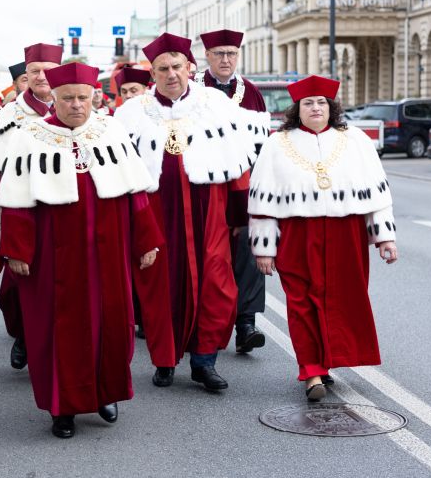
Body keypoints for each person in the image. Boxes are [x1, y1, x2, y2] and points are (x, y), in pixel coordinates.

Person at [0, 62, 170, 439]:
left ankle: (106, 394)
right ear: (54, 100)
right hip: (52, 256)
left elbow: (135, 193)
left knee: (112, 325)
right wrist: (17, 250)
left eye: (83, 98)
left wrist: (146, 241)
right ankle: (63, 408)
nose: (77, 105)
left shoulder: (110, 130)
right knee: (58, 330)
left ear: (93, 96)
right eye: (68, 99)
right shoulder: (30, 136)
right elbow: (15, 200)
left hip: (109, 251)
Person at [115, 32, 259, 391]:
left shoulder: (217, 106)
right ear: (153, 74)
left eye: (177, 66)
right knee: (159, 286)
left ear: (190, 67)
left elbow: (238, 165)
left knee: (215, 284)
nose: (171, 74)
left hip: (209, 210)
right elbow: (118, 174)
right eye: (162, 69)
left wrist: (241, 217)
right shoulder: (131, 114)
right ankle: (164, 361)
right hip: (155, 213)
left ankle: (204, 361)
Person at [249, 75, 398, 401]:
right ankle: (311, 370)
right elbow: (262, 198)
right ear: (297, 109)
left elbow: (377, 192)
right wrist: (264, 247)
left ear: (331, 107)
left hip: (347, 233)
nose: (315, 108)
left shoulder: (356, 140)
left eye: (321, 103)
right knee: (301, 302)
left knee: (340, 301)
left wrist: (385, 236)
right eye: (308, 103)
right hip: (298, 233)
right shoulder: (277, 143)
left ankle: (327, 361)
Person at [0, 43, 62, 371]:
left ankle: (56, 349)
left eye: (48, 70)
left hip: (65, 211)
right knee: (16, 290)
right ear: (25, 76)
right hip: (23, 210)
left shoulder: (74, 103)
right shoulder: (9, 115)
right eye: (34, 71)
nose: (42, 77)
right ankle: (24, 336)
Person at [197, 29, 271, 355]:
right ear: (207, 57)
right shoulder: (193, 92)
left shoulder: (252, 93)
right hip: (206, 186)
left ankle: (246, 324)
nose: (226, 60)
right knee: (208, 256)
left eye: (231, 54)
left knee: (249, 252)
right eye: (219, 54)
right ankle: (204, 325)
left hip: (246, 185)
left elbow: (263, 144)